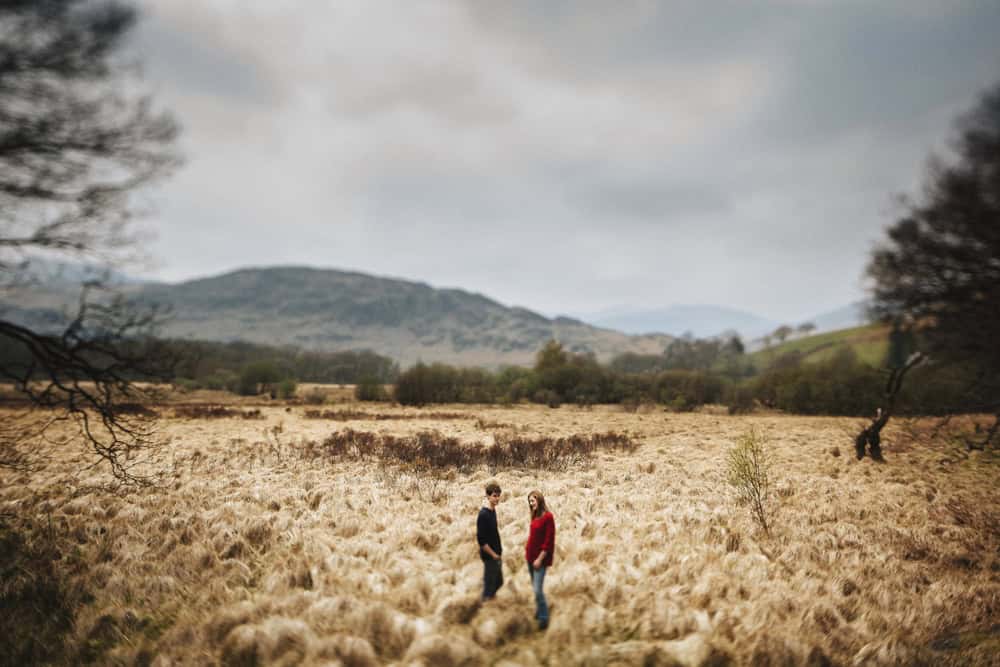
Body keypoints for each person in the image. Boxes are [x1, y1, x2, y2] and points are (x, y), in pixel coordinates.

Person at [525, 490, 555, 630]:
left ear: (540, 500)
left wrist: (539, 559)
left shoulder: (548, 517)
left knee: (538, 590)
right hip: (530, 557)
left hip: (539, 560)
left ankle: (544, 618)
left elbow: (548, 542)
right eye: (530, 501)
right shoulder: (534, 516)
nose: (532, 503)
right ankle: (538, 611)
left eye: (533, 500)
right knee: (535, 587)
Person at [477, 481, 503, 600]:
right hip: (490, 556)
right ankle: (485, 609)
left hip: (497, 553)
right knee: (489, 587)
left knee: (499, 582)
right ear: (488, 496)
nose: (497, 498)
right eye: (494, 496)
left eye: (498, 496)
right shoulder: (483, 515)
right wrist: (493, 555)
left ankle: (490, 602)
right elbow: (482, 541)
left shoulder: (493, 511)